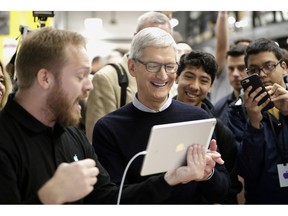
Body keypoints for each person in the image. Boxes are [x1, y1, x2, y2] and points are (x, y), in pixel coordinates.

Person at [0, 27, 226, 204]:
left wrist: (173, 178)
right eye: (81, 76)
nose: (89, 86)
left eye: (169, 66)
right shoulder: (7, 140)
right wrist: (46, 200)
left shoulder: (71, 137)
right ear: (45, 78)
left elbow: (111, 201)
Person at [92, 27, 230, 204]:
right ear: (132, 67)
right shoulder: (109, 128)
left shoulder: (198, 118)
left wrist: (208, 174)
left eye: (170, 66)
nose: (163, 75)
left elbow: (222, 190)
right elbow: (112, 199)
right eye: (153, 66)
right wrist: (168, 180)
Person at [85, 11, 173, 143]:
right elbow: (97, 140)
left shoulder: (169, 76)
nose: (157, 44)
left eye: (164, 38)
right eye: (149, 37)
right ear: (135, 38)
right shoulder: (107, 78)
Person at [175, 50, 242, 204]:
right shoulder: (157, 120)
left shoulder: (220, 131)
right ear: (177, 77)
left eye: (204, 80)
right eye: (189, 76)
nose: (195, 86)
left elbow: (230, 186)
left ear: (211, 86)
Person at [228, 38, 288, 204]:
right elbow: (247, 171)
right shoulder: (238, 112)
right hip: (262, 201)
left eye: (269, 66)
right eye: (253, 70)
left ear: (283, 67)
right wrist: (254, 123)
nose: (261, 74)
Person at [213, 43, 248, 126]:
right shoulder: (219, 108)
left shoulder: (267, 104)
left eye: (241, 68)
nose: (235, 74)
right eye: (231, 68)